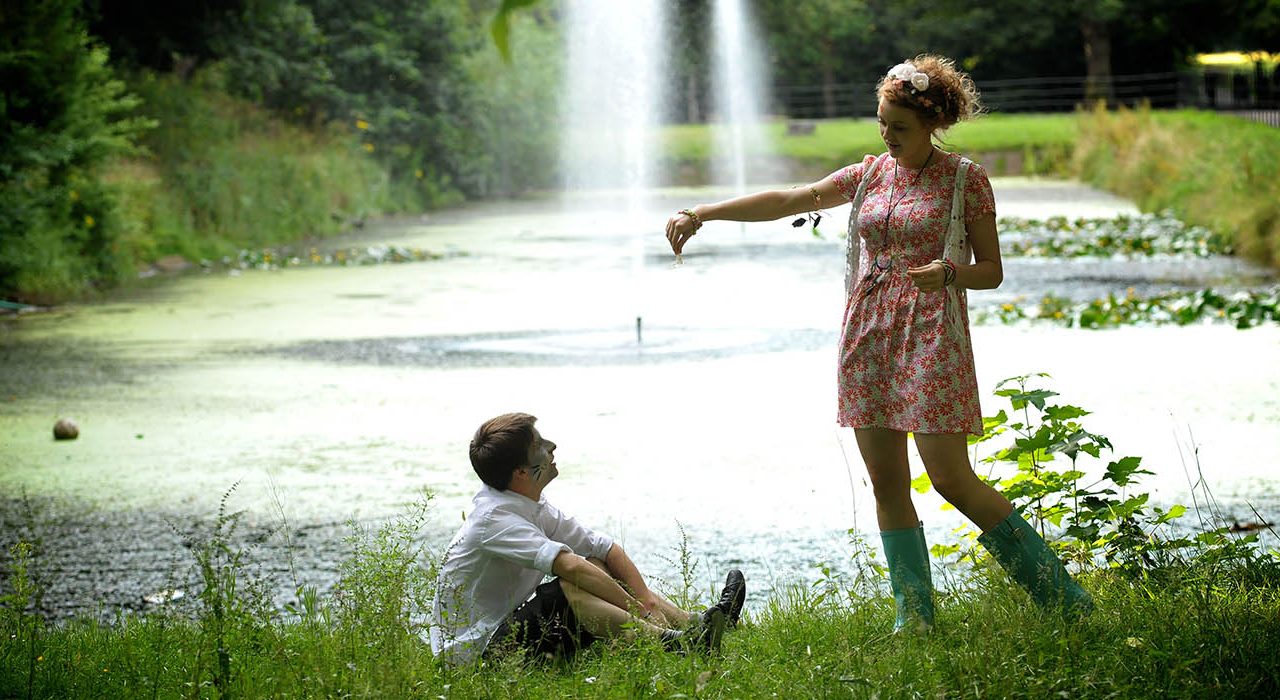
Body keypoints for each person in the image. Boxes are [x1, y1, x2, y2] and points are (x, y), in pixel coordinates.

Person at [664, 55, 1092, 632]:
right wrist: (703, 213)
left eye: (900, 126)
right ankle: (913, 618)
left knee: (950, 478)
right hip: (867, 337)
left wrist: (949, 272)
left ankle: (1066, 601)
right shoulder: (869, 173)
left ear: (932, 123)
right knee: (887, 483)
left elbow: (991, 270)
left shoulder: (966, 179)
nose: (887, 135)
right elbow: (794, 199)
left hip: (932, 336)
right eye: (882, 122)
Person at [427, 412, 747, 665]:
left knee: (594, 564)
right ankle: (680, 645)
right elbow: (572, 569)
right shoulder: (494, 519)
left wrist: (647, 603)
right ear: (521, 473)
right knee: (569, 587)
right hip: (477, 656)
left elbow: (605, 550)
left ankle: (696, 624)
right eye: (539, 446)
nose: (552, 447)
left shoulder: (529, 504)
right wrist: (642, 612)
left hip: (509, 632)